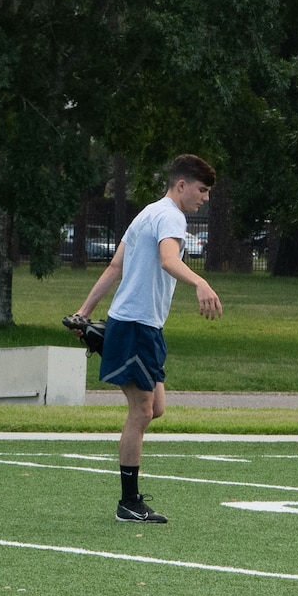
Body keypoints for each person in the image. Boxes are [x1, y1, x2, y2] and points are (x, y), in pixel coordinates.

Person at [70, 156, 224, 522]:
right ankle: (129, 502)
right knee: (141, 410)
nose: (204, 198)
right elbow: (169, 260)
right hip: (136, 325)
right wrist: (200, 282)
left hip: (142, 326)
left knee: (156, 408)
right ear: (182, 185)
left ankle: (129, 499)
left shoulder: (147, 212)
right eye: (201, 190)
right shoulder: (171, 216)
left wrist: (84, 313)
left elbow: (115, 266)